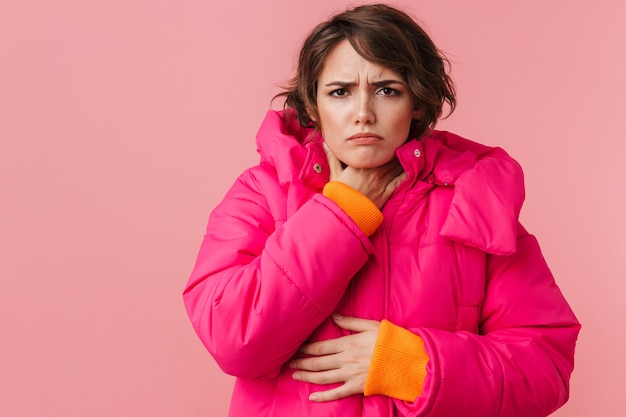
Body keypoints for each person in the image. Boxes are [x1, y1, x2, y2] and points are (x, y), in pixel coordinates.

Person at [183, 4, 580, 416]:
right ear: (313, 106)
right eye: (340, 92)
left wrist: (410, 365)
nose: (363, 114)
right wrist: (342, 213)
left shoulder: (472, 198)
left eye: (387, 90)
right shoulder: (263, 191)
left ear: (419, 105)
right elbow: (233, 338)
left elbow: (544, 367)